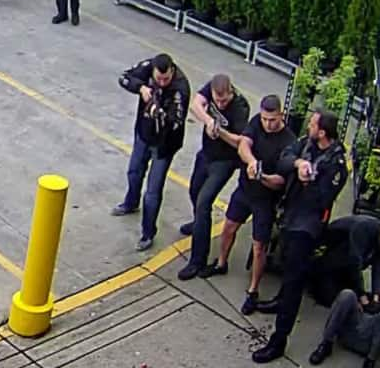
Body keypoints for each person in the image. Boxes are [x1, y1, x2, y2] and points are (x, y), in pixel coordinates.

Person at [252, 110, 348, 364]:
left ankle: (279, 339)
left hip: (307, 226)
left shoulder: (336, 164)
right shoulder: (308, 143)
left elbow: (323, 199)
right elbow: (285, 157)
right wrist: (298, 164)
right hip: (290, 215)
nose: (309, 126)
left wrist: (308, 181)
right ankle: (279, 301)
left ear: (323, 132)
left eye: (313, 124)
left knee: (295, 279)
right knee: (285, 265)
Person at [203, 94, 295, 313]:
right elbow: (244, 144)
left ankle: (253, 290)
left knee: (259, 245)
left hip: (265, 200)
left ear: (281, 115)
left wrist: (263, 177)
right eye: (264, 119)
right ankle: (221, 263)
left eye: (272, 120)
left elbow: (281, 182)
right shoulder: (256, 123)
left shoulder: (289, 142)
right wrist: (252, 162)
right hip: (244, 190)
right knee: (228, 227)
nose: (267, 124)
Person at [113, 53, 191, 252]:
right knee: (134, 171)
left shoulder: (180, 88)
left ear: (172, 71)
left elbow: (177, 120)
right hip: (143, 133)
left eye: (166, 79)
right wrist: (140, 88)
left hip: (164, 145)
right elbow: (124, 77)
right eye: (158, 79)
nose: (162, 82)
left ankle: (148, 233)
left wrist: (160, 112)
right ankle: (130, 203)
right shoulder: (148, 68)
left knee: (153, 192)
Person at [177, 74, 249, 281]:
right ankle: (199, 224)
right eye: (217, 101)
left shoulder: (239, 107)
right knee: (194, 191)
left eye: (224, 100)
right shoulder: (213, 88)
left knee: (204, 202)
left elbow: (240, 142)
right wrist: (209, 120)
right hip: (206, 154)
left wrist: (221, 132)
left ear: (231, 92)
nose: (220, 103)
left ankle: (197, 260)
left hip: (224, 162)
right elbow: (196, 104)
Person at [308, 288, 380, 368]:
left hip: (372, 333)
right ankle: (326, 343)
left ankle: (370, 362)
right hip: (353, 323)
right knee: (347, 294)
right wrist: (360, 298)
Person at [312, 216, 380, 308]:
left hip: (347, 255)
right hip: (332, 253)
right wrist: (361, 293)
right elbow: (354, 263)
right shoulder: (364, 229)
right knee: (331, 298)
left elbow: (379, 265)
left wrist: (377, 292)